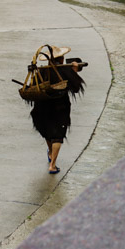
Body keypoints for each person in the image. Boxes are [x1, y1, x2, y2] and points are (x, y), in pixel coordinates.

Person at [24, 45, 86, 174]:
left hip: (42, 107)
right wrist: (73, 71)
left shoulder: (41, 71)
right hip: (60, 108)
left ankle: (51, 153)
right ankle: (52, 165)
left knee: (47, 131)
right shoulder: (66, 71)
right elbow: (76, 88)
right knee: (57, 136)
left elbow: (33, 87)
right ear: (62, 59)